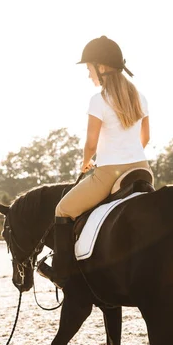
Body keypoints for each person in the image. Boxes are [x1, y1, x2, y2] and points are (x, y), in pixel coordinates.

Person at [40, 36, 152, 288]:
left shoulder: (98, 100)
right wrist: (130, 155)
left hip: (108, 173)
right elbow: (146, 138)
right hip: (142, 170)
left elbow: (91, 143)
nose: (88, 74)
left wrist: (85, 163)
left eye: (89, 68)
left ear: (101, 68)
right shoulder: (140, 97)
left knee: (63, 210)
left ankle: (62, 272)